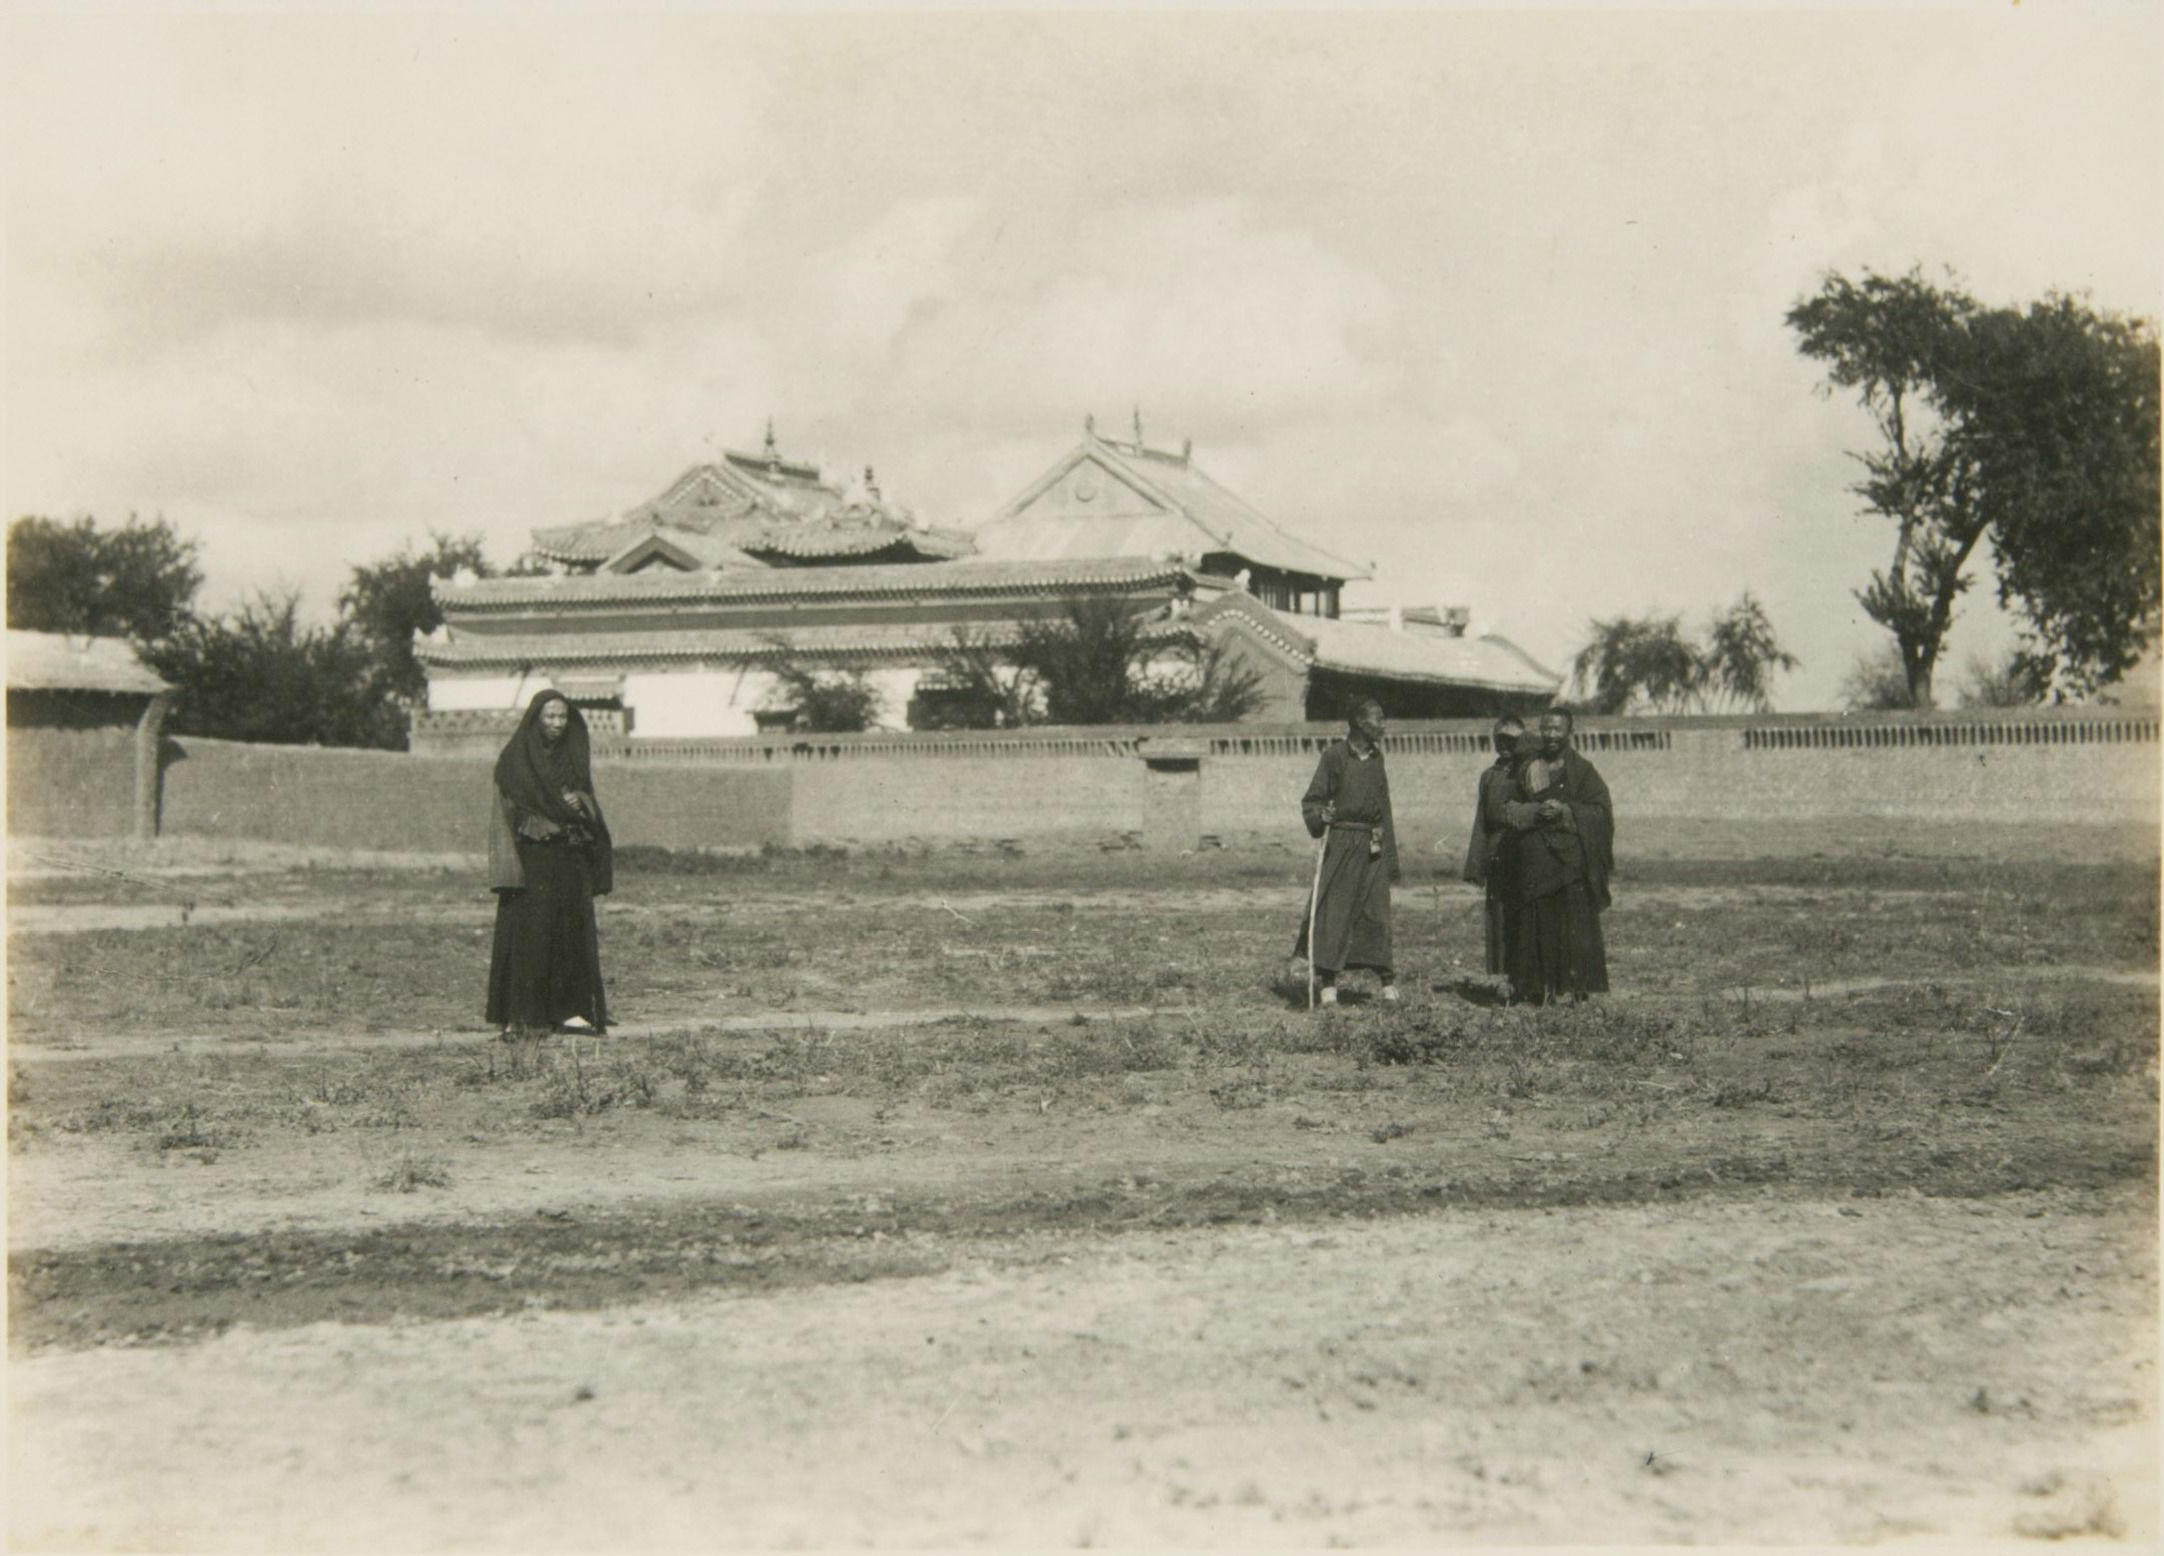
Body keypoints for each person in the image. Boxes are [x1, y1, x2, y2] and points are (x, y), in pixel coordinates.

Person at [486, 689, 613, 1037]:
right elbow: (505, 814)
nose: (557, 724)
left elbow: (588, 802)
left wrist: (579, 802)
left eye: (562, 717)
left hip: (570, 857)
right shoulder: (515, 761)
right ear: (535, 719)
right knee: (531, 935)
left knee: (571, 933)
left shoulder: (571, 757)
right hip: (533, 859)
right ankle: (521, 1016)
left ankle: (570, 1011)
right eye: (550, 717)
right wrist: (508, 869)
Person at [1498, 708, 1612, 1004]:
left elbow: (1601, 812)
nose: (1550, 735)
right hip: (1536, 861)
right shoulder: (1528, 769)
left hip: (1571, 861)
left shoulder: (1583, 771)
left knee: (1574, 923)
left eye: (1556, 729)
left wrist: (1567, 811)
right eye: (1545, 728)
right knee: (1537, 923)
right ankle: (1538, 989)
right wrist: (1536, 811)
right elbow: (1508, 808)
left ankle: (1578, 989)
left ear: (1569, 733)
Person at [1293, 699, 1401, 1006]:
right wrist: (1320, 816)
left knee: (1377, 912)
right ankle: (1328, 983)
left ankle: (1387, 981)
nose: (1384, 725)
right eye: (1379, 719)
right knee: (1335, 913)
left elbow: (1385, 808)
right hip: (1341, 843)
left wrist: (1389, 855)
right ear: (1361, 724)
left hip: (1372, 847)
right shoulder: (1334, 757)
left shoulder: (1378, 759)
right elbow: (1312, 800)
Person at [1461, 714, 1527, 979]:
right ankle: (1506, 977)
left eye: (1510, 740)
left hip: (1523, 850)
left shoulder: (1529, 771)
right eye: (1498, 740)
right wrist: (1477, 863)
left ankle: (1527, 975)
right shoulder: (1488, 777)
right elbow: (1481, 821)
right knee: (1499, 913)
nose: (1504, 745)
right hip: (1496, 851)